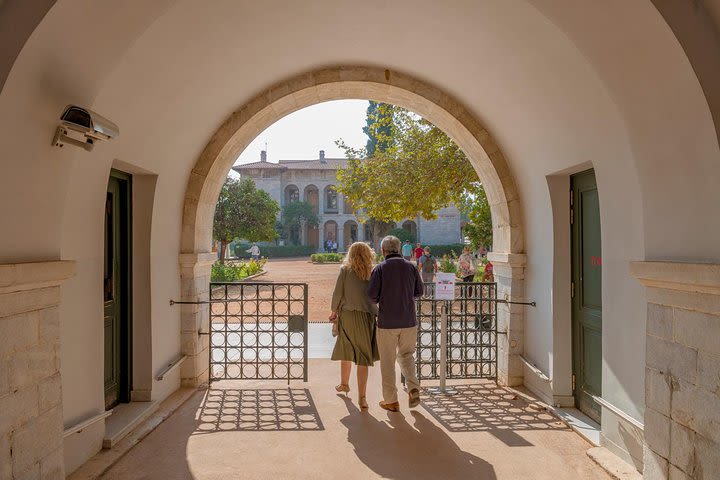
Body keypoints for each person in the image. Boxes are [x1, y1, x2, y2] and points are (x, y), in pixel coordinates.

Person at [367, 235, 424, 412]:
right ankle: (413, 386)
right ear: (399, 249)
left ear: (383, 251)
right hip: (408, 320)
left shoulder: (380, 269)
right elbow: (419, 292)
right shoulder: (411, 267)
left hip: (387, 322)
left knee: (387, 361)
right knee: (406, 356)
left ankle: (391, 401)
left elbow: (372, 295)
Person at [330, 242, 379, 410]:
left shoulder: (345, 270)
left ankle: (344, 384)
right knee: (363, 357)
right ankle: (362, 397)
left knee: (346, 349)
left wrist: (333, 311)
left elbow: (337, 293)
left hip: (348, 315)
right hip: (367, 316)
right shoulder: (373, 271)